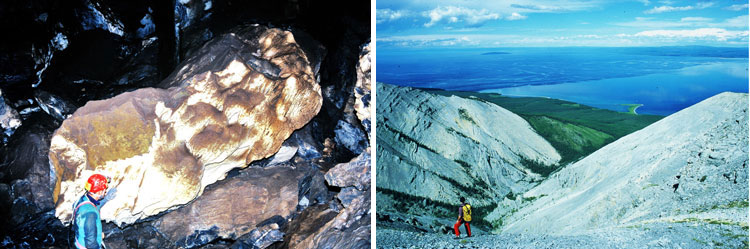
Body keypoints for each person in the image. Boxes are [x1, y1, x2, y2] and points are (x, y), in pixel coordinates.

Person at [72, 173, 109, 249]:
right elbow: (91, 244)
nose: (106, 192)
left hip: (79, 241)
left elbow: (94, 205)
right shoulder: (90, 214)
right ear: (99, 192)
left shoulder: (83, 199)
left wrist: (99, 235)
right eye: (104, 190)